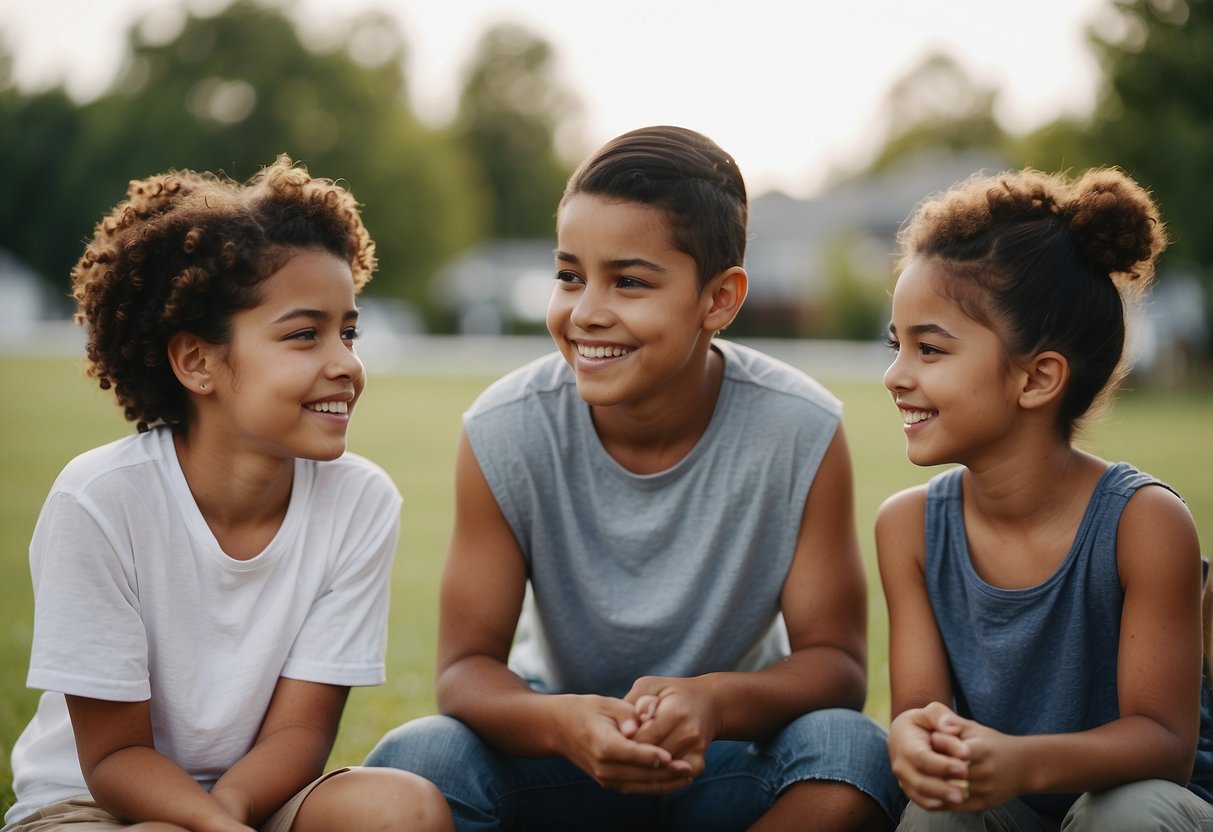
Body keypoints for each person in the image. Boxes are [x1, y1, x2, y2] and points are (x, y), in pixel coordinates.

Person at [364, 125, 903, 831]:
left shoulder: (799, 429)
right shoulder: (504, 429)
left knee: (849, 753)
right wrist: (561, 725)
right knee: (417, 760)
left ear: (719, 299)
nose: (586, 311)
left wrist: (711, 703)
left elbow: (835, 665)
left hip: (723, 759)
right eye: (568, 275)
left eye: (628, 281)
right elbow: (464, 672)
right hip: (555, 753)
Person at [2, 157, 452, 832]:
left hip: (255, 801)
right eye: (305, 335)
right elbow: (116, 755)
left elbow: (298, 735)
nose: (347, 364)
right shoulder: (98, 502)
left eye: (348, 332)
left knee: (402, 808)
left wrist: (233, 815)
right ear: (198, 362)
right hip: (92, 805)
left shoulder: (362, 502)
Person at [876, 167, 1213, 831]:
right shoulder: (908, 528)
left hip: (1147, 807)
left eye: (929, 349)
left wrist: (1020, 763)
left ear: (1035, 379)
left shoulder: (1143, 523)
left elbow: (1164, 747)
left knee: (1125, 811)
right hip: (1010, 808)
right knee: (932, 814)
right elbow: (916, 711)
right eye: (896, 346)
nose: (894, 375)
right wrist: (915, 744)